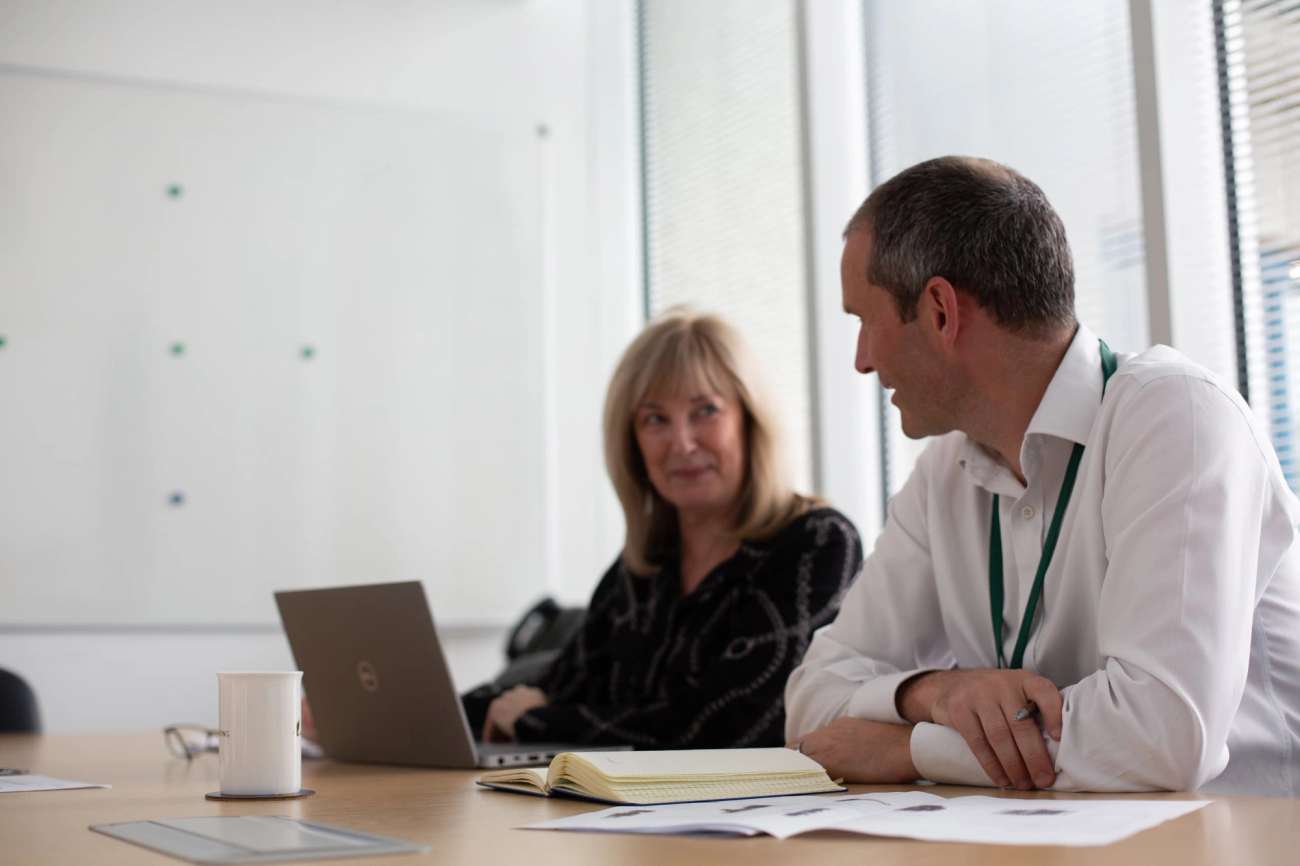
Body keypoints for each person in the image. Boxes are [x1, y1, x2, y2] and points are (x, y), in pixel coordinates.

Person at [785, 155, 1300, 795]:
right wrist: (933, 693)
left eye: (865, 320)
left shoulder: (1178, 417)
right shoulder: (943, 475)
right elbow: (812, 702)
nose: (863, 360)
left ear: (940, 312)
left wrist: (908, 750)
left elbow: (1163, 739)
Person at [482, 309, 863, 748]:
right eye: (655, 419)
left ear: (750, 421)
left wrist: (537, 721)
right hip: (622, 813)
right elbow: (557, 687)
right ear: (632, 443)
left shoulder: (817, 543)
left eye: (705, 411)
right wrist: (438, 710)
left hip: (754, 814)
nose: (682, 443)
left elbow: (730, 725)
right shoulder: (643, 568)